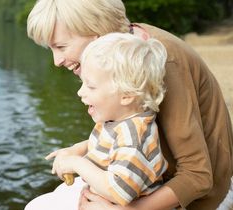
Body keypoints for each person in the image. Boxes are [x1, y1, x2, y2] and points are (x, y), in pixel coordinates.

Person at [26, 0, 233, 209]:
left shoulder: (159, 62)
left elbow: (198, 176)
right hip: (143, 180)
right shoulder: (121, 58)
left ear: (96, 31)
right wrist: (78, 150)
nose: (56, 60)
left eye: (61, 46)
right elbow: (132, 132)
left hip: (197, 196)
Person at [26, 32, 170, 209]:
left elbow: (118, 192)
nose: (80, 92)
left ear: (126, 96)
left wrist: (77, 163)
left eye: (91, 86)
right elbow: (109, 146)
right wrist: (75, 150)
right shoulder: (119, 119)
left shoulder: (133, 138)